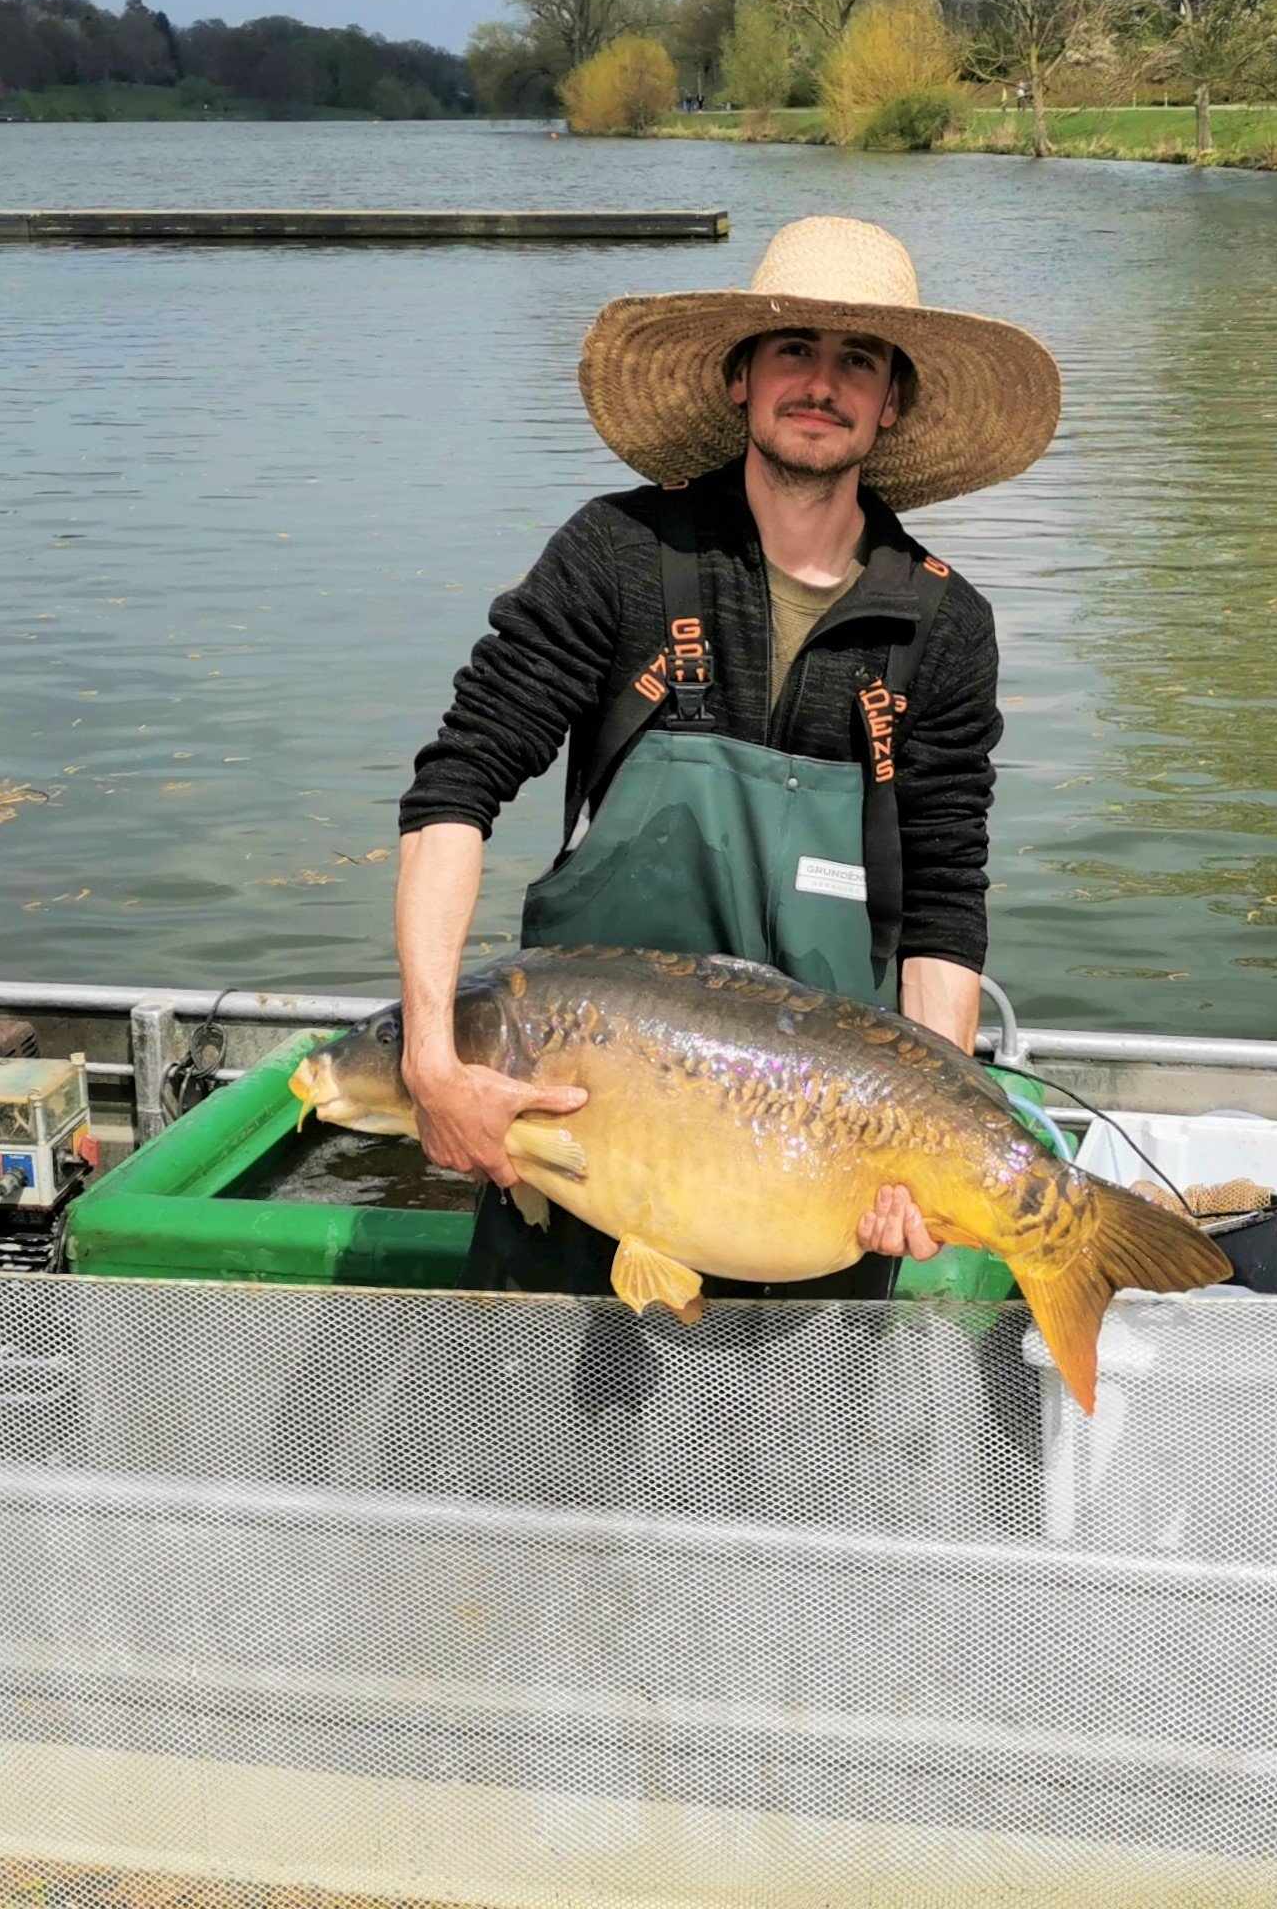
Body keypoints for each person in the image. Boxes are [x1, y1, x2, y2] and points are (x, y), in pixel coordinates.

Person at [393, 215, 1058, 1297]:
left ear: (891, 403)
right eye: (794, 347)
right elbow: (455, 788)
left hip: (822, 1173)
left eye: (859, 360)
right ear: (741, 377)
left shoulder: (944, 623)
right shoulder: (619, 554)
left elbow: (943, 903)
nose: (820, 382)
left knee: (796, 1465)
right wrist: (432, 1055)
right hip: (584, 1150)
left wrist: (933, 1131)